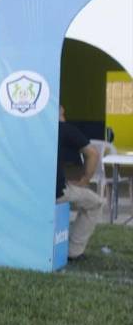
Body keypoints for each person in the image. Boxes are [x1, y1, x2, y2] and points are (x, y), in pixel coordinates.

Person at [58, 105, 103, 261]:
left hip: (23, 191)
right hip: (55, 193)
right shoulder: (64, 129)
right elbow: (93, 154)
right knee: (96, 203)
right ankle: (74, 251)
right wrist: (85, 180)